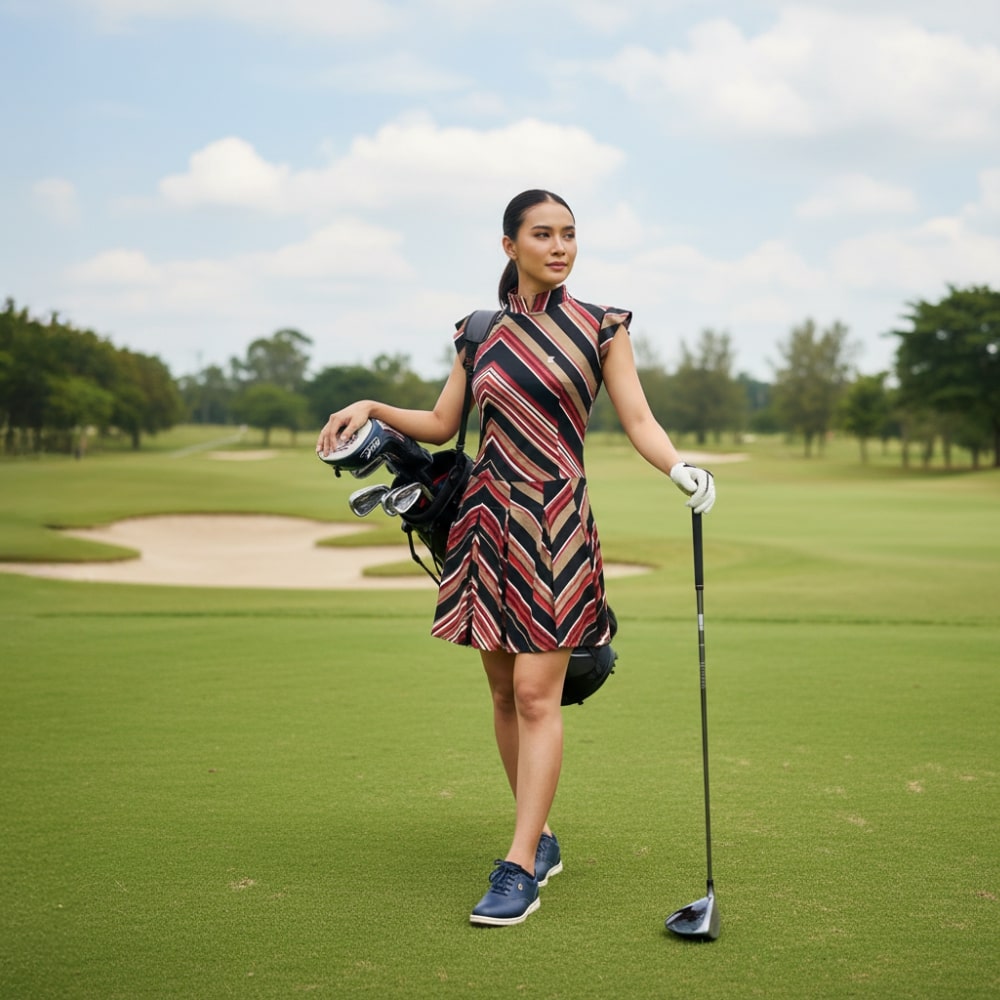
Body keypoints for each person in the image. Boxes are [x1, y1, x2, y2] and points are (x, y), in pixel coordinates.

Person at [316, 189, 716, 927]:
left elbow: (637, 417)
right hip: (484, 522)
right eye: (543, 234)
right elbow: (442, 423)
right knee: (504, 694)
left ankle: (519, 865)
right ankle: (541, 839)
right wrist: (371, 406)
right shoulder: (478, 332)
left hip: (557, 523)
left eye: (569, 234)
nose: (560, 247)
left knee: (536, 695)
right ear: (510, 246)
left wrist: (679, 468)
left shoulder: (601, 327)